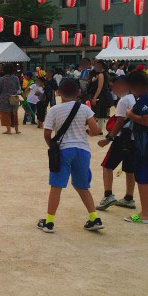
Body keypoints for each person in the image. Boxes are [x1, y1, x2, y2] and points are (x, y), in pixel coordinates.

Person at [38, 78, 103, 233]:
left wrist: (52, 147)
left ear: (58, 93)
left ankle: (49, 221)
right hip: (82, 150)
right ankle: (94, 217)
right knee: (82, 185)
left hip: (63, 150)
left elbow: (47, 133)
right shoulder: (84, 109)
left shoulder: (54, 110)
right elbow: (95, 130)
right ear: (78, 93)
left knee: (57, 186)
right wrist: (86, 132)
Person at [123, 70, 148, 224]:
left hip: (146, 146)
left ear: (136, 86)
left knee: (143, 178)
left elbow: (147, 120)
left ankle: (145, 213)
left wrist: (130, 114)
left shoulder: (145, 100)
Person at [96, 76, 136, 211]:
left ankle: (108, 195)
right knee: (130, 169)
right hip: (136, 140)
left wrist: (108, 139)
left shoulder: (124, 101)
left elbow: (119, 122)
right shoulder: (140, 98)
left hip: (122, 139)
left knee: (107, 166)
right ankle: (129, 198)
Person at [0, 63, 21, 134]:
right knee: (14, 113)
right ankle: (17, 130)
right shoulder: (16, 78)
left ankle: (8, 130)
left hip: (4, 98)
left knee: (5, 114)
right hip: (14, 97)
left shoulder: (2, 79)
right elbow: (18, 88)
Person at [88, 60, 111, 129]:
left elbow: (100, 87)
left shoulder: (101, 75)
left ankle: (96, 129)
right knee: (101, 112)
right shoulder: (106, 74)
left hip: (100, 94)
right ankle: (99, 129)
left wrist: (95, 97)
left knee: (96, 112)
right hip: (104, 94)